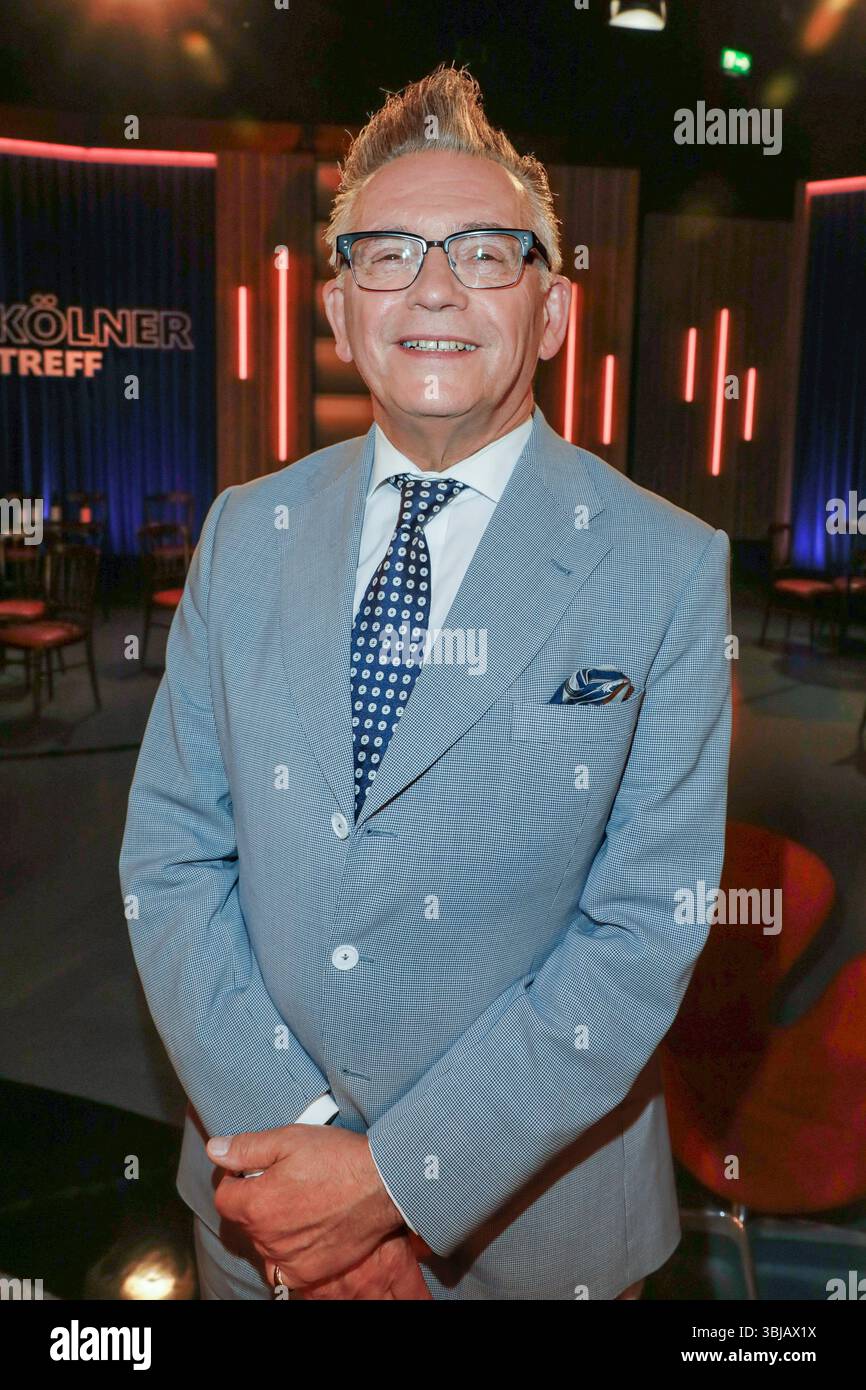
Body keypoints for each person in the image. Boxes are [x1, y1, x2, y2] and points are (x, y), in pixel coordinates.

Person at [119, 64, 732, 1301]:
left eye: (485, 252)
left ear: (551, 312)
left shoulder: (667, 565)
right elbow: (172, 861)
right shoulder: (245, 531)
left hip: (528, 1240)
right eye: (387, 253)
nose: (436, 286)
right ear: (340, 312)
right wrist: (306, 1179)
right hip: (257, 1216)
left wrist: (394, 1184)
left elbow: (637, 935)